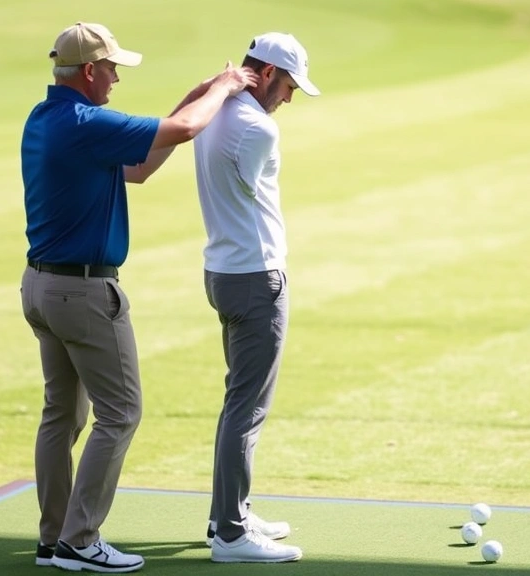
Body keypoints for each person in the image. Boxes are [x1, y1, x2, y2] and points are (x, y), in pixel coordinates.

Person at [19, 22, 257, 573]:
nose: (117, 77)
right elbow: (183, 131)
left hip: (40, 287)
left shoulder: (46, 117)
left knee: (62, 414)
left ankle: (53, 539)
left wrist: (197, 94)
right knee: (121, 412)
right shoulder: (85, 121)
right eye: (112, 68)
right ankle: (81, 540)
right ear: (88, 72)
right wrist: (223, 87)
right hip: (82, 292)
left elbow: (141, 166)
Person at [192, 32, 320, 563]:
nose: (288, 98)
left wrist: (216, 85)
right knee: (247, 407)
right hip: (256, 278)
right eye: (287, 85)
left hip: (222, 272)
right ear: (265, 73)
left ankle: (232, 509)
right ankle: (230, 533)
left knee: (236, 401)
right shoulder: (257, 129)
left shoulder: (213, 109)